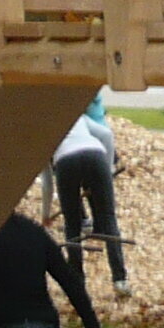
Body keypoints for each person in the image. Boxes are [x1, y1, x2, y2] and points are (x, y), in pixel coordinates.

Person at [52, 93, 130, 298]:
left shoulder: (43, 130)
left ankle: (77, 282)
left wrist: (45, 214)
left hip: (66, 162)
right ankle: (120, 280)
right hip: (96, 155)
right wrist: (108, 169)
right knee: (108, 219)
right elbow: (106, 135)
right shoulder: (77, 117)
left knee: (72, 223)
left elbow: (46, 180)